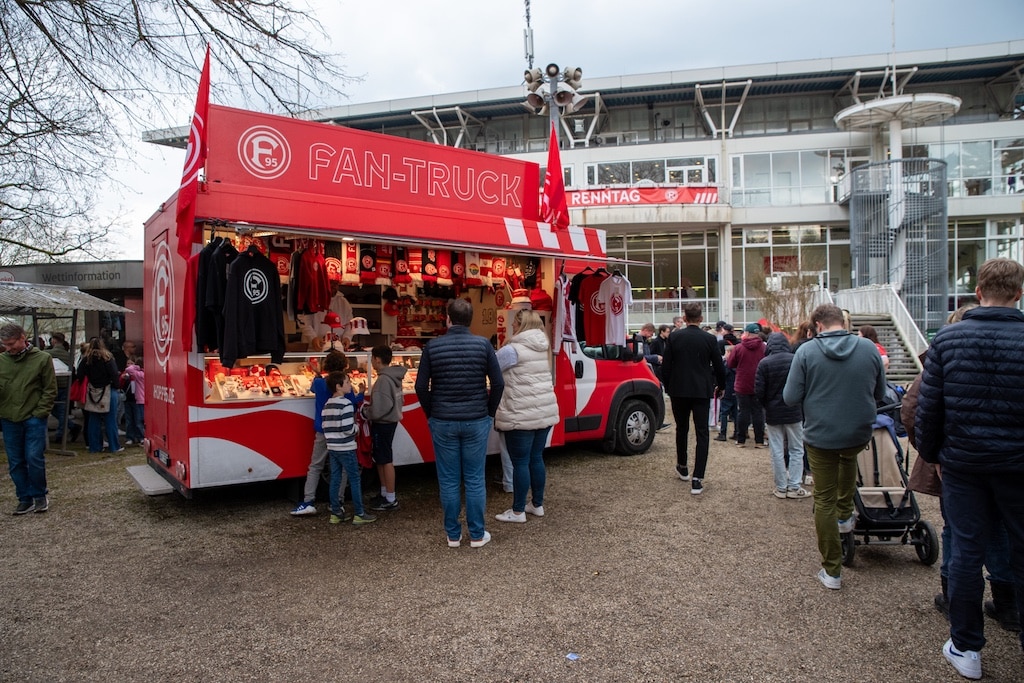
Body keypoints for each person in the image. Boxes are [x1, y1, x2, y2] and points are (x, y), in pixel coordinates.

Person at [914, 258, 1024, 680]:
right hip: (1014, 463)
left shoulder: (949, 339)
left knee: (966, 549)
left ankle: (966, 646)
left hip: (963, 463)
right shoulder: (951, 339)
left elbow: (929, 407)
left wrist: (933, 453)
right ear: (1017, 294)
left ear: (978, 292)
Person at [784, 303, 886, 591]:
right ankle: (844, 515)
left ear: (817, 325)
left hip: (821, 432)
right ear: (843, 321)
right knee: (848, 458)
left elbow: (791, 396)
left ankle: (832, 570)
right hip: (857, 430)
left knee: (823, 498)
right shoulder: (868, 349)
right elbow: (880, 392)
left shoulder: (806, 351)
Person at [415, 298, 504, 548]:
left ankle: (453, 534)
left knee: (449, 479)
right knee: (475, 478)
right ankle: (477, 534)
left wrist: (432, 413)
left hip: (443, 420)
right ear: (470, 319)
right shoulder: (483, 345)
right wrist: (489, 412)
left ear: (448, 318)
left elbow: (421, 387)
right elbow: (498, 383)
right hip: (476, 419)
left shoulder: (432, 347)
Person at [493, 309, 559, 523]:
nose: (511, 327)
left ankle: (518, 511)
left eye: (514, 324)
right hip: (543, 410)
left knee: (519, 462)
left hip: (520, 412)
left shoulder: (512, 350)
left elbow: (491, 369)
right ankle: (537, 504)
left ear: (520, 325)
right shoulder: (543, 346)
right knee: (536, 458)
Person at [659, 302, 726, 495]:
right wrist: (721, 386)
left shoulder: (675, 337)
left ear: (685, 318)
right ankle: (698, 477)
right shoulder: (709, 339)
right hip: (701, 389)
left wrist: (670, 385)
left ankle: (682, 465)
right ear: (701, 319)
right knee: (702, 432)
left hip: (679, 389)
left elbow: (666, 366)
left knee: (682, 428)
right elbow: (719, 366)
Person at [0, 324, 57, 514]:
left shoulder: (42, 358)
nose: (8, 348)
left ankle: (39, 495)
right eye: (5, 345)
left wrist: (40, 413)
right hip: (9, 418)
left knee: (33, 458)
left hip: (33, 418)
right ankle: (24, 497)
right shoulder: (2, 361)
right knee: (15, 461)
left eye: (11, 344)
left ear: (23, 338)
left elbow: (50, 389)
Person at [291, 350, 352, 516]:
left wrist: (317, 372)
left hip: (322, 429)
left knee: (315, 465)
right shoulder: (345, 384)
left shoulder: (318, 382)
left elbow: (312, 388)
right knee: (341, 467)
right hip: (340, 431)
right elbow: (353, 401)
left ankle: (308, 501)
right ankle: (337, 502)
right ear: (344, 366)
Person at [755, 332, 808, 499]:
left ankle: (781, 486)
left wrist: (766, 405)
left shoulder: (764, 363)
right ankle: (794, 486)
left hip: (773, 411)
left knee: (776, 449)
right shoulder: (795, 359)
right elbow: (803, 385)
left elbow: (759, 391)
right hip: (793, 410)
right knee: (796, 449)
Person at [321, 371, 376, 525]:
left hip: (332, 447)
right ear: (338, 386)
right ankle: (359, 513)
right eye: (347, 382)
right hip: (346, 447)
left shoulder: (327, 404)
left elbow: (325, 425)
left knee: (335, 479)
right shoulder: (345, 404)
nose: (350, 385)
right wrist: (356, 427)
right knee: (354, 479)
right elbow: (347, 428)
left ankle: (336, 512)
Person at [365, 345, 407, 512]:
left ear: (377, 359)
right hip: (391, 421)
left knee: (385, 459)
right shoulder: (394, 377)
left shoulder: (383, 380)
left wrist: (366, 411)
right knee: (382, 458)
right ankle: (385, 493)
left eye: (372, 358)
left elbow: (380, 408)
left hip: (382, 423)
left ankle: (390, 497)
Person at [76, 337, 123, 454]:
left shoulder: (87, 360)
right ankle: (114, 446)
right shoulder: (107, 358)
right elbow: (114, 374)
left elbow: (80, 374)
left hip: (93, 391)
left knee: (93, 420)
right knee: (110, 420)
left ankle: (95, 447)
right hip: (108, 390)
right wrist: (117, 386)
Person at [728, 323, 766, 448]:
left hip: (742, 383)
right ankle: (759, 441)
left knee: (742, 412)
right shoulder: (764, 347)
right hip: (759, 384)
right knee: (758, 412)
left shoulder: (739, 348)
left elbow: (730, 363)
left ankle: (741, 440)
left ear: (747, 333)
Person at [44, 331, 80, 443]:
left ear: (53, 340)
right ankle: (71, 427)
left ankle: (62, 433)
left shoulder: (47, 353)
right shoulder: (68, 354)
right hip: (65, 384)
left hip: (52, 384)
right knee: (62, 410)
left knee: (55, 410)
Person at [638, 322, 671, 431]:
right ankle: (658, 423)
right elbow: (642, 357)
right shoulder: (639, 341)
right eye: (651, 333)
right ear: (646, 330)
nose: (651, 336)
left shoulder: (643, 341)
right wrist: (655, 358)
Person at [715, 324, 739, 442]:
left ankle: (723, 433)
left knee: (724, 412)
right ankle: (737, 432)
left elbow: (722, 376)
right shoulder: (738, 364)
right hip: (737, 389)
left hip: (728, 390)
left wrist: (720, 387)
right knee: (736, 413)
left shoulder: (726, 364)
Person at [122, 356, 146, 446]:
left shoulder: (139, 375)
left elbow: (128, 369)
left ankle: (141, 437)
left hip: (139, 399)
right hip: (142, 399)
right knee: (140, 420)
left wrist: (136, 366)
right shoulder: (146, 374)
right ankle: (141, 437)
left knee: (138, 420)